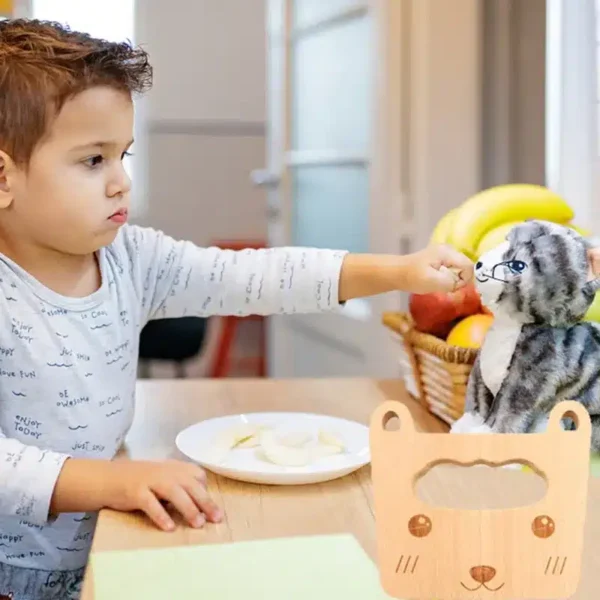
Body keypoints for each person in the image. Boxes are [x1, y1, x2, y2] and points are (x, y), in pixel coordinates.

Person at [0, 18, 473, 599]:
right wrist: (110, 481)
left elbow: (254, 276)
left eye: (123, 155)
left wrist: (398, 270)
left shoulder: (131, 259)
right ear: (4, 177)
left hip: (99, 548)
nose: (122, 181)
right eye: (93, 161)